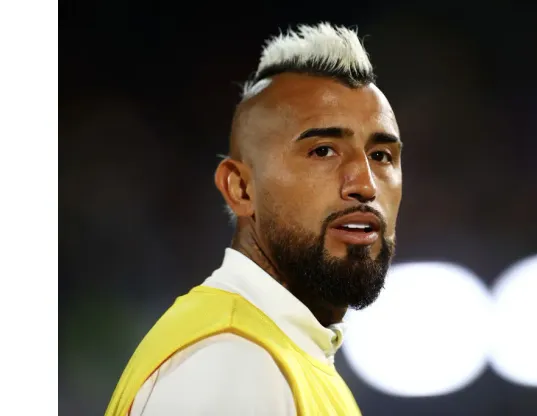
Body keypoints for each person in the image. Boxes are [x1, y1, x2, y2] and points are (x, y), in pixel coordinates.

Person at [104, 22, 403, 416]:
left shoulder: (283, 353)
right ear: (241, 189)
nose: (365, 184)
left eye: (381, 156)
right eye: (324, 151)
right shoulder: (233, 361)